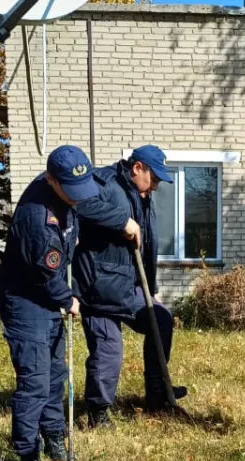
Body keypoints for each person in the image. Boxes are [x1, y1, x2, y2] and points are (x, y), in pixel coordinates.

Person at [0, 145, 97, 461]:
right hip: (26, 301)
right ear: (51, 180)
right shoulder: (36, 220)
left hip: (49, 294)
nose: (77, 198)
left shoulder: (66, 195)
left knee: (56, 374)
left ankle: (54, 436)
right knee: (36, 381)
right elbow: (47, 274)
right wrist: (68, 300)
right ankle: (27, 458)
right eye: (71, 191)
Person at [73, 144, 187, 427]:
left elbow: (146, 246)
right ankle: (98, 413)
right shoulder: (104, 182)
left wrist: (153, 287)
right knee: (109, 349)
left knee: (160, 320)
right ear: (137, 168)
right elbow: (80, 204)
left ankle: (157, 395)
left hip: (129, 285)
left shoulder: (142, 194)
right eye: (155, 178)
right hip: (97, 287)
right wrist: (122, 221)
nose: (157, 186)